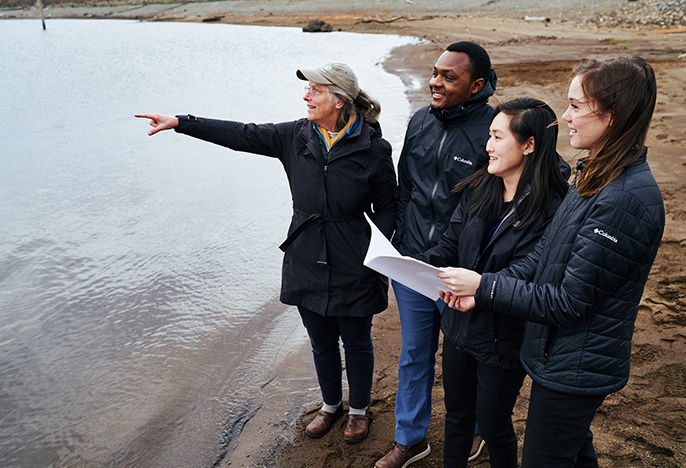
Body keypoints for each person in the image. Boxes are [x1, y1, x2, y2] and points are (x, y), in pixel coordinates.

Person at [135, 62, 397, 444]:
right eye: (307, 89)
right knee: (321, 340)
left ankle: (358, 410)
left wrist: (375, 254)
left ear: (339, 100)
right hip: (306, 254)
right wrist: (181, 122)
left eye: (315, 90)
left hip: (354, 259)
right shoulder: (295, 136)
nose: (306, 96)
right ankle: (330, 405)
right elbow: (240, 134)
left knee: (356, 341)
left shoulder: (373, 148)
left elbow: (389, 206)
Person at [437, 55, 665, 467]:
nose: (565, 117)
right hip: (554, 355)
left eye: (576, 106)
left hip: (576, 365)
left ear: (612, 115)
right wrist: (481, 290)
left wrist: (485, 287)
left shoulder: (624, 199)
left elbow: (569, 301)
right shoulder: (595, 174)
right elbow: (547, 255)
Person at [416, 97, 569, 467]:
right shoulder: (480, 186)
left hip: (504, 336)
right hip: (457, 327)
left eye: (498, 137)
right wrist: (415, 265)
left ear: (529, 144)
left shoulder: (553, 207)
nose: (487, 146)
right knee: (456, 418)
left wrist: (479, 291)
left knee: (495, 424)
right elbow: (451, 244)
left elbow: (528, 272)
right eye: (489, 135)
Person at [375, 41, 497, 468]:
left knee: (467, 356)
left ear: (476, 84)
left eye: (449, 76)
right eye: (435, 72)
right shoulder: (420, 120)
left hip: (462, 270)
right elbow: (405, 185)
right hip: (413, 264)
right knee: (414, 354)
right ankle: (410, 439)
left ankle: (479, 431)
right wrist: (399, 244)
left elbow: (527, 185)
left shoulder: (494, 130)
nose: (435, 81)